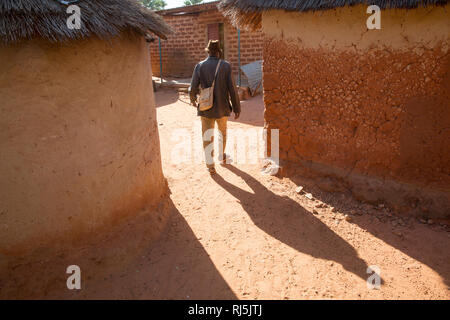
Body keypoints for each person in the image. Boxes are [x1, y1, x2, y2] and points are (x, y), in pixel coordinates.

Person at [189, 40, 241, 174]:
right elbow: (232, 89)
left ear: (208, 51)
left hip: (205, 108)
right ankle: (221, 155)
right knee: (222, 133)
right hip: (222, 108)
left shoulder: (199, 66)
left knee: (207, 136)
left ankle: (210, 165)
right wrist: (236, 108)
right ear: (219, 51)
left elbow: (192, 87)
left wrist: (193, 99)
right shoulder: (225, 66)